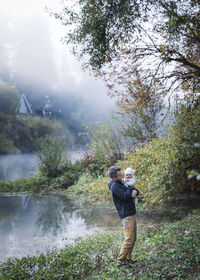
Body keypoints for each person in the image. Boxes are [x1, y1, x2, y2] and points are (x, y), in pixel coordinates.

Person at [108, 166, 139, 268]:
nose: (122, 176)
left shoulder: (120, 182)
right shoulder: (114, 186)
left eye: (122, 174)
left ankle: (127, 258)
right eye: (120, 175)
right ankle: (120, 262)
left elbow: (134, 190)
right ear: (114, 177)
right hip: (126, 215)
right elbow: (126, 196)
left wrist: (135, 191)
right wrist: (131, 191)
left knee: (133, 238)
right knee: (129, 239)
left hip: (132, 212)